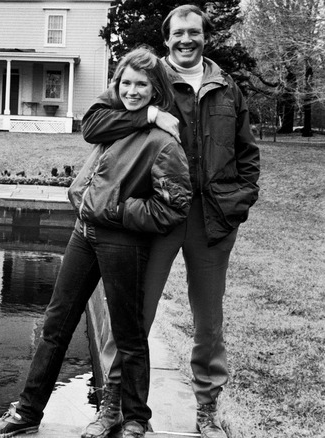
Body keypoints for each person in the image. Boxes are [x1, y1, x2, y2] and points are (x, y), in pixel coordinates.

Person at [0, 46, 192, 438]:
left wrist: (119, 212)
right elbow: (92, 125)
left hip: (122, 241)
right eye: (126, 83)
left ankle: (135, 419)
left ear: (155, 89)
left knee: (128, 333)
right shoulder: (115, 122)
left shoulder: (163, 142)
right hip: (84, 234)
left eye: (141, 85)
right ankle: (28, 412)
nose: (132, 91)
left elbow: (174, 207)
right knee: (56, 325)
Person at [79, 6, 261, 438]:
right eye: (178, 33)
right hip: (158, 215)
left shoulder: (227, 87)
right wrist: (149, 115)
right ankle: (113, 405)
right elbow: (94, 123)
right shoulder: (148, 77)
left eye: (193, 32)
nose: (185, 39)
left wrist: (241, 200)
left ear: (204, 36)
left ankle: (207, 409)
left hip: (212, 220)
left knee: (208, 321)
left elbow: (247, 153)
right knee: (133, 314)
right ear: (167, 38)